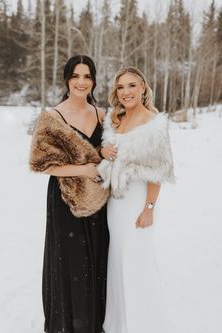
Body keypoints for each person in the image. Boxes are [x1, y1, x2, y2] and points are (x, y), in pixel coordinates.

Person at [29, 55, 109, 333]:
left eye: (87, 76)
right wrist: (83, 170)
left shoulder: (102, 115)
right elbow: (42, 164)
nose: (81, 82)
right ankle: (67, 326)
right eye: (76, 76)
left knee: (96, 260)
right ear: (67, 79)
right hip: (65, 199)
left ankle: (92, 324)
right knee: (71, 263)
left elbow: (106, 153)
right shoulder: (52, 117)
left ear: (94, 81)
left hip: (99, 201)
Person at [98, 67, 175, 333]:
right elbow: (109, 154)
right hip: (114, 203)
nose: (126, 92)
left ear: (143, 88)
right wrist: (103, 150)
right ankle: (119, 323)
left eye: (132, 86)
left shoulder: (153, 123)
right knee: (117, 259)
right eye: (121, 87)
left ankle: (143, 323)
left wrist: (149, 209)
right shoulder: (115, 120)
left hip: (137, 202)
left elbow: (159, 172)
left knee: (136, 260)